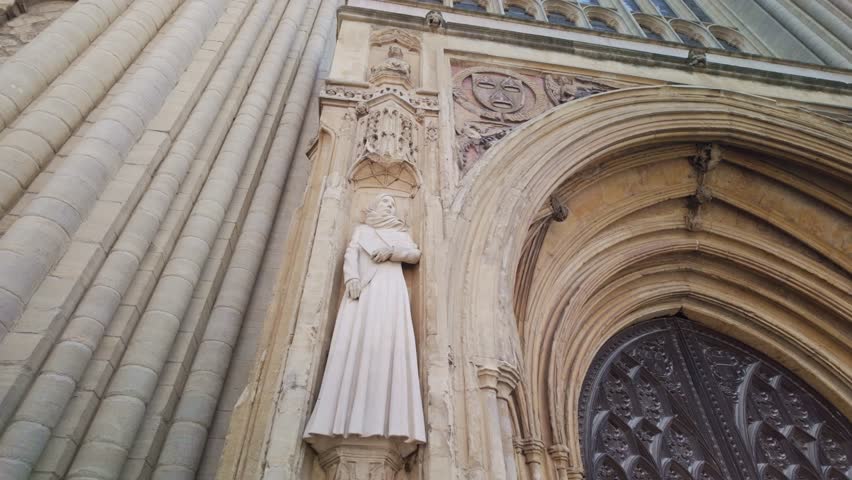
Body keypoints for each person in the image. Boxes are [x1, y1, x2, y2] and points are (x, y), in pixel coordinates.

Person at [304, 194, 426, 446]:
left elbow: (414, 254)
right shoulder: (362, 230)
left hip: (390, 287)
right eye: (384, 202)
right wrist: (352, 279)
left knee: (387, 342)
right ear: (373, 205)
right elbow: (351, 254)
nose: (389, 206)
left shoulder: (400, 233)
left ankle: (392, 421)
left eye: (392, 204)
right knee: (357, 339)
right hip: (364, 290)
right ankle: (342, 419)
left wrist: (392, 252)